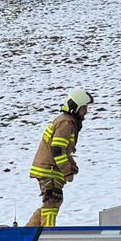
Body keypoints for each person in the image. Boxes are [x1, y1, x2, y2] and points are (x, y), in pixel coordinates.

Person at [26, 88, 91, 228]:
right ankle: (47, 233)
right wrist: (67, 171)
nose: (86, 111)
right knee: (53, 201)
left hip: (49, 169)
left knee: (50, 201)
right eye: (84, 108)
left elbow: (63, 150)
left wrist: (71, 165)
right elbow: (57, 150)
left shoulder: (66, 121)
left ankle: (28, 231)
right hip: (49, 170)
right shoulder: (66, 123)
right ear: (75, 107)